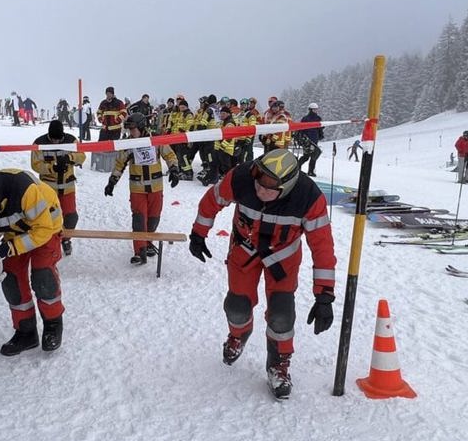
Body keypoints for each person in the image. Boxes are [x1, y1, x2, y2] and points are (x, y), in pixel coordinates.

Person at [188, 149, 336, 399]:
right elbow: (212, 200)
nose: (260, 189)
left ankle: (279, 363)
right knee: (237, 306)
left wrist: (324, 295)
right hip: (243, 251)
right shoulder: (241, 178)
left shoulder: (309, 197)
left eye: (269, 187)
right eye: (258, 180)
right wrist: (198, 233)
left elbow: (322, 246)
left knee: (281, 314)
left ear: (287, 186)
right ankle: (237, 336)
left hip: (283, 258)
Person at [0, 170, 65, 356]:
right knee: (11, 279)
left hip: (47, 226)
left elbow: (42, 230)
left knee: (43, 277)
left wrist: (4, 250)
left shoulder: (24, 190)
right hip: (15, 232)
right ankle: (26, 331)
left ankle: (53, 325)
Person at [104, 113, 182, 264]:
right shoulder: (128, 144)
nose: (130, 133)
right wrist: (112, 181)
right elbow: (120, 164)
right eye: (129, 130)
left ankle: (148, 242)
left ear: (141, 127)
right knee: (139, 219)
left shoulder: (156, 140)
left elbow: (170, 155)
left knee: (153, 219)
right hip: (137, 189)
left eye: (132, 129)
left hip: (156, 187)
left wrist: (174, 169)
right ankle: (139, 252)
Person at [32, 120, 86, 256]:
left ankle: (66, 239)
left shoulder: (71, 140)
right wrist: (52, 168)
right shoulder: (39, 143)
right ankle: (49, 243)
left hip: (68, 188)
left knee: (71, 217)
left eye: (58, 139)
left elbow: (82, 156)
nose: (56, 142)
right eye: (53, 139)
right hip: (48, 188)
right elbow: (35, 165)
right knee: (48, 219)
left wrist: (69, 158)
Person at [295, 103, 324, 176]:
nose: (316, 111)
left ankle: (310, 171)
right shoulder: (306, 118)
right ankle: (297, 168)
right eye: (314, 109)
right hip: (307, 141)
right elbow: (301, 129)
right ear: (311, 110)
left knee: (314, 155)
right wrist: (300, 138)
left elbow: (320, 128)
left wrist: (321, 135)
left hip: (314, 140)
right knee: (307, 156)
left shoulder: (318, 118)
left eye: (316, 109)